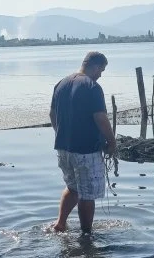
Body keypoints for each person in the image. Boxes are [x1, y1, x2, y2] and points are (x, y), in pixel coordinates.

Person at [49, 51, 116, 234]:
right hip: (86, 151)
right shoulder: (92, 87)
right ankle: (87, 235)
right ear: (94, 66)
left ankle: (60, 224)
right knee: (87, 194)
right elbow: (101, 118)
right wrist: (112, 142)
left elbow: (52, 115)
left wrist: (60, 135)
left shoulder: (61, 84)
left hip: (63, 148)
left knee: (72, 187)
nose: (101, 74)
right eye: (101, 70)